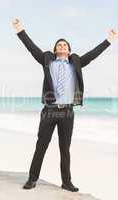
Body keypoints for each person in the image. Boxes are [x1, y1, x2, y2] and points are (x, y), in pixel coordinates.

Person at [12, 18, 118, 192]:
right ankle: (32, 179)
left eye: (65, 45)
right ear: (55, 50)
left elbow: (93, 54)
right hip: (49, 111)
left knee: (65, 148)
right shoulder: (47, 60)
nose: (62, 46)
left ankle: (66, 182)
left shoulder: (76, 62)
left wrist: (109, 40)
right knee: (41, 146)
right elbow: (31, 47)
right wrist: (20, 30)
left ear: (69, 50)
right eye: (59, 45)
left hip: (67, 112)